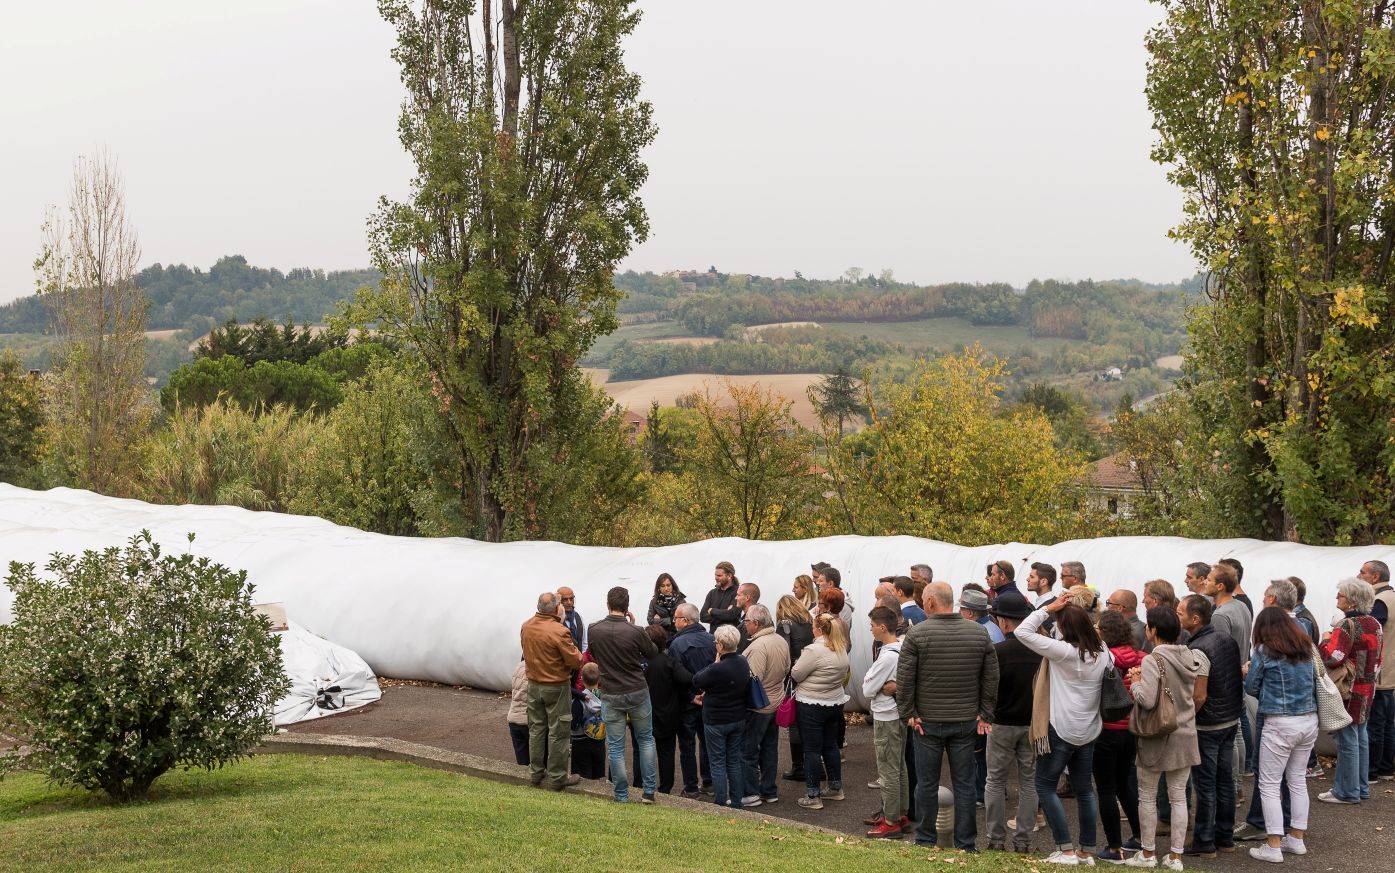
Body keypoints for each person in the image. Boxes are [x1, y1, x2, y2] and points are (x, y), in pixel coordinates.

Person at [895, 581, 999, 851]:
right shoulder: (979, 633)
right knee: (965, 785)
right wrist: (985, 713)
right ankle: (966, 844)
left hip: (926, 722)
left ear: (930, 603)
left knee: (926, 784)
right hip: (965, 721)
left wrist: (908, 713)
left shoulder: (917, 634)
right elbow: (991, 678)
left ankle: (926, 839)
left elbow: (905, 680)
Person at [1016, 587, 1108, 866]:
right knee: (1085, 790)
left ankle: (1066, 849)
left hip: (1059, 728)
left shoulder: (1064, 652)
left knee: (1044, 785)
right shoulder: (1103, 651)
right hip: (1089, 728)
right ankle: (1087, 851)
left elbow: (1022, 632)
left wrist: (1049, 607)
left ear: (1065, 628)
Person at [1126, 606, 1201, 871]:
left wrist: (1135, 682)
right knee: (1178, 797)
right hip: (1186, 733)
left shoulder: (1152, 660)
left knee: (1147, 796)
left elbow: (1146, 700)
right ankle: (1176, 856)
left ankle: (1148, 854)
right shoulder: (1189, 656)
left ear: (1154, 630)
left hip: (1158, 735)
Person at [1244, 606, 1319, 863]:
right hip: (1309, 720)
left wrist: (1247, 672)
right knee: (1297, 780)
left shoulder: (1265, 651)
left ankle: (1273, 845)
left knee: (1269, 784)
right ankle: (1296, 839)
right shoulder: (1306, 648)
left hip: (1279, 723)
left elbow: (1252, 687)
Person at [1179, 593, 1242, 858]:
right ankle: (1224, 837)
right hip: (1229, 719)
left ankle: (1204, 842)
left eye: (1181, 612)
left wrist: (1185, 719)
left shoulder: (1198, 649)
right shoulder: (1224, 638)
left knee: (1205, 785)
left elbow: (1199, 694)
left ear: (1195, 618)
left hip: (1208, 726)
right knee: (1224, 781)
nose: (1177, 615)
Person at [586, 586, 659, 803]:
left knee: (616, 746)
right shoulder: (635, 631)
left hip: (611, 692)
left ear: (608, 604)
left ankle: (621, 794)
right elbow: (652, 653)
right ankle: (648, 791)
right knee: (645, 739)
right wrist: (634, 627)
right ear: (626, 607)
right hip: (637, 690)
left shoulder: (593, 629)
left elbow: (594, 652)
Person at [984, 591, 1043, 854]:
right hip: (1034, 724)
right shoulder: (1043, 651)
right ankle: (1023, 842)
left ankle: (996, 839)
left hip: (1002, 723)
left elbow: (987, 689)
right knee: (1029, 782)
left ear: (1005, 622)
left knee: (995, 781)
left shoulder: (997, 652)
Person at [1318, 577, 1383, 805]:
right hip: (1367, 688)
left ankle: (1347, 792)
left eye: (1341, 595)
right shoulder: (1375, 624)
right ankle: (1360, 787)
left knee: (1347, 741)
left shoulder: (1346, 625)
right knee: (1361, 737)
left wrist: (1325, 641)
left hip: (1348, 689)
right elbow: (1377, 659)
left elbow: (1334, 658)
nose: (1337, 598)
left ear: (1352, 601)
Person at [1095, 610, 1144, 864]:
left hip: (1106, 730)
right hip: (1130, 730)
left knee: (1105, 789)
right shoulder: (1140, 657)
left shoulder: (1104, 658)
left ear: (1105, 633)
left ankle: (1114, 848)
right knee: (1125, 784)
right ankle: (1139, 837)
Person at [521, 591, 583, 790]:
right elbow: (576, 660)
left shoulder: (526, 626)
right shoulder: (559, 630)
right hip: (556, 686)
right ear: (556, 609)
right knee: (559, 731)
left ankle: (536, 772)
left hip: (534, 684)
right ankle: (557, 776)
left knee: (536, 728)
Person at [791, 609, 851, 809]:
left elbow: (797, 673)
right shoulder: (840, 648)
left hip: (811, 703)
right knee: (830, 746)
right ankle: (835, 787)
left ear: (817, 629)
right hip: (833, 701)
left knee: (812, 750)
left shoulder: (813, 650)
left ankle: (813, 794)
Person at [692, 624, 750, 809]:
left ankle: (719, 802)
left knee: (717, 761)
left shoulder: (718, 668)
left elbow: (697, 680)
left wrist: (715, 663)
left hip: (716, 720)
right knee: (733, 760)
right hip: (737, 717)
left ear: (721, 646)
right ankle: (736, 800)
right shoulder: (742, 662)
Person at [863, 605, 908, 838]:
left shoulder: (887, 656)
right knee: (899, 766)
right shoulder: (902, 649)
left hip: (886, 716)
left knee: (888, 768)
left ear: (882, 627)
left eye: (872, 625)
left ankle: (891, 821)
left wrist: (874, 683)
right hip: (897, 715)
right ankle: (900, 812)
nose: (870, 629)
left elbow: (868, 688)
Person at [741, 603, 789, 807]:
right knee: (769, 749)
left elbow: (753, 678)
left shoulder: (758, 646)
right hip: (775, 701)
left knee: (749, 751)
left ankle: (750, 792)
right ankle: (769, 790)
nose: (745, 625)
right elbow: (787, 668)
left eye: (747, 621)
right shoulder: (780, 640)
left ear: (756, 624)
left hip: (758, 706)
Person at [669, 602, 716, 798]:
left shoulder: (676, 644)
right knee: (707, 743)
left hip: (688, 702)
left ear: (685, 621)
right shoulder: (713, 640)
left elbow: (676, 676)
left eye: (676, 618)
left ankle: (690, 787)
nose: (673, 621)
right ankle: (709, 781)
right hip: (709, 700)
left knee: (687, 745)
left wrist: (690, 697)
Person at [644, 623, 692, 795]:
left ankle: (643, 784)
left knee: (643, 750)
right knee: (666, 753)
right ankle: (665, 787)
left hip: (644, 713)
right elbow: (687, 679)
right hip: (668, 713)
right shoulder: (669, 661)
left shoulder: (641, 662)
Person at [1361, 560, 1395, 783]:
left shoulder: (1379, 601)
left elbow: (1374, 634)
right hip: (1391, 668)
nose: (1359, 575)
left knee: (1376, 723)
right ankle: (1384, 768)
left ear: (1375, 577)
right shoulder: (1391, 596)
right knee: (1388, 722)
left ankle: (1372, 771)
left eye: (1362, 572)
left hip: (1381, 671)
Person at [776, 594, 815, 782]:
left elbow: (783, 651)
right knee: (810, 720)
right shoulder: (810, 622)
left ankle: (798, 766)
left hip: (793, 675)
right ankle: (814, 764)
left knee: (794, 721)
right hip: (811, 671)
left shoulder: (784, 625)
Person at [570, 662, 606, 779]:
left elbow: (573, 725)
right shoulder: (605, 699)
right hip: (599, 742)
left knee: (582, 777)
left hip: (580, 743)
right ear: (599, 679)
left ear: (582, 678)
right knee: (597, 777)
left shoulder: (579, 700)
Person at [701, 561, 742, 633]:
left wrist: (712, 611)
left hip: (731, 638)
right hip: (713, 638)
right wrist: (725, 614)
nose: (716, 578)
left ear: (729, 576)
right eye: (715, 575)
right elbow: (703, 617)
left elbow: (731, 615)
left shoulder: (739, 592)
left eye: (719, 575)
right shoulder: (712, 593)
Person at [646, 573, 686, 639]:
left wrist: (659, 621)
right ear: (659, 587)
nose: (666, 588)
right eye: (663, 586)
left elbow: (683, 621)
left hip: (678, 636)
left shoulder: (681, 600)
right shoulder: (654, 602)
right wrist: (672, 620)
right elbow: (650, 621)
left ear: (672, 585)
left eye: (668, 585)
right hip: (661, 638)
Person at [507, 658, 530, 765]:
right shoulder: (538, 670)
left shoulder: (518, 666)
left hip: (514, 718)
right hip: (528, 721)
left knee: (521, 763)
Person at [557, 586, 586, 653]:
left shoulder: (578, 617)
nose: (569, 602)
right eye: (565, 599)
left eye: (571, 598)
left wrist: (583, 657)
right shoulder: (555, 620)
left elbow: (584, 641)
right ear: (558, 601)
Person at [734, 582, 761, 651]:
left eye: (738, 595)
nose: (735, 598)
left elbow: (742, 652)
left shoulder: (749, 622)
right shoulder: (764, 618)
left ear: (747, 598)